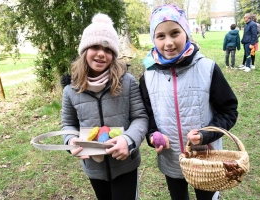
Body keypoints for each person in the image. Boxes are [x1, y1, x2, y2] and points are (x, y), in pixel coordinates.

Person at [139, 4, 238, 200]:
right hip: (171, 158)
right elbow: (148, 115)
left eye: (175, 33)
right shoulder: (147, 77)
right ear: (153, 38)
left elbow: (229, 111)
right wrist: (153, 135)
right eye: (161, 36)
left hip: (206, 158)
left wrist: (205, 135)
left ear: (186, 32)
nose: (168, 43)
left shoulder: (208, 68)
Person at [61, 13, 148, 200]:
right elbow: (68, 124)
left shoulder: (128, 82)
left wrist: (128, 140)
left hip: (125, 164)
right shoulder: (71, 89)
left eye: (107, 49)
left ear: (114, 55)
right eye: (94, 47)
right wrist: (70, 141)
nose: (101, 53)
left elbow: (140, 118)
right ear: (84, 50)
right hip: (94, 168)